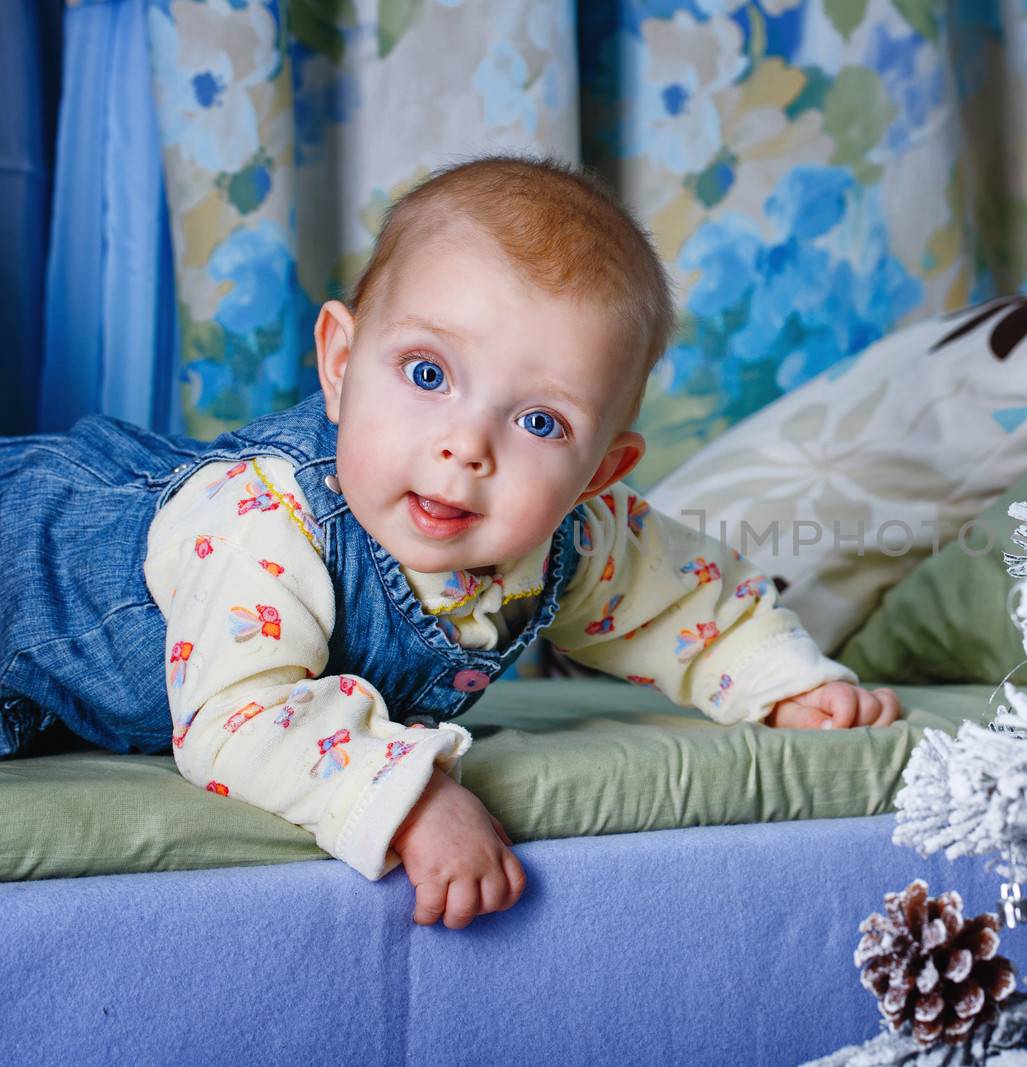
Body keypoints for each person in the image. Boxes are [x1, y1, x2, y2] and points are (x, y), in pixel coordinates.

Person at [0, 155, 901, 928]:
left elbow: (684, 603)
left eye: (540, 420)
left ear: (596, 473)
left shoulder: (570, 535)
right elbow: (236, 717)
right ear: (342, 366)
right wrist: (412, 793)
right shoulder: (262, 519)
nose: (467, 446)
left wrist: (788, 685)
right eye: (428, 374)